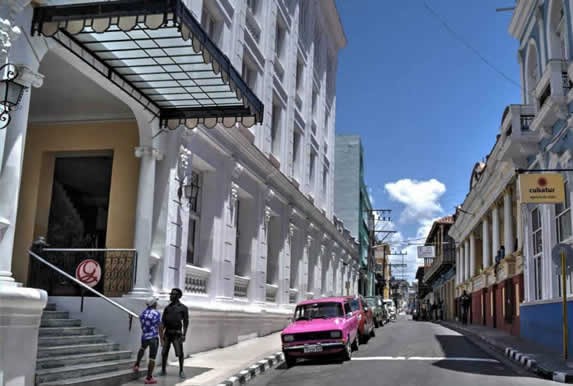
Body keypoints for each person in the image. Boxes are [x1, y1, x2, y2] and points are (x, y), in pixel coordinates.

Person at [160, 288, 189, 378]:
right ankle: (163, 370)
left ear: (178, 296)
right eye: (171, 294)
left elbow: (186, 321)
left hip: (177, 334)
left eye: (173, 294)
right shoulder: (167, 308)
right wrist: (161, 335)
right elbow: (163, 321)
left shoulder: (183, 308)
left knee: (180, 353)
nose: (171, 296)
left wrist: (184, 334)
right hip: (167, 333)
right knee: (164, 352)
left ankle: (181, 370)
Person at [133, 296, 161, 384]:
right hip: (153, 337)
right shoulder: (156, 313)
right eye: (156, 302)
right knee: (152, 358)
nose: (157, 303)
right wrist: (163, 339)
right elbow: (160, 326)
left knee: (142, 348)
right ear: (154, 304)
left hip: (144, 336)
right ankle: (149, 378)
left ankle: (137, 364)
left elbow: (142, 325)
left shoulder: (143, 313)